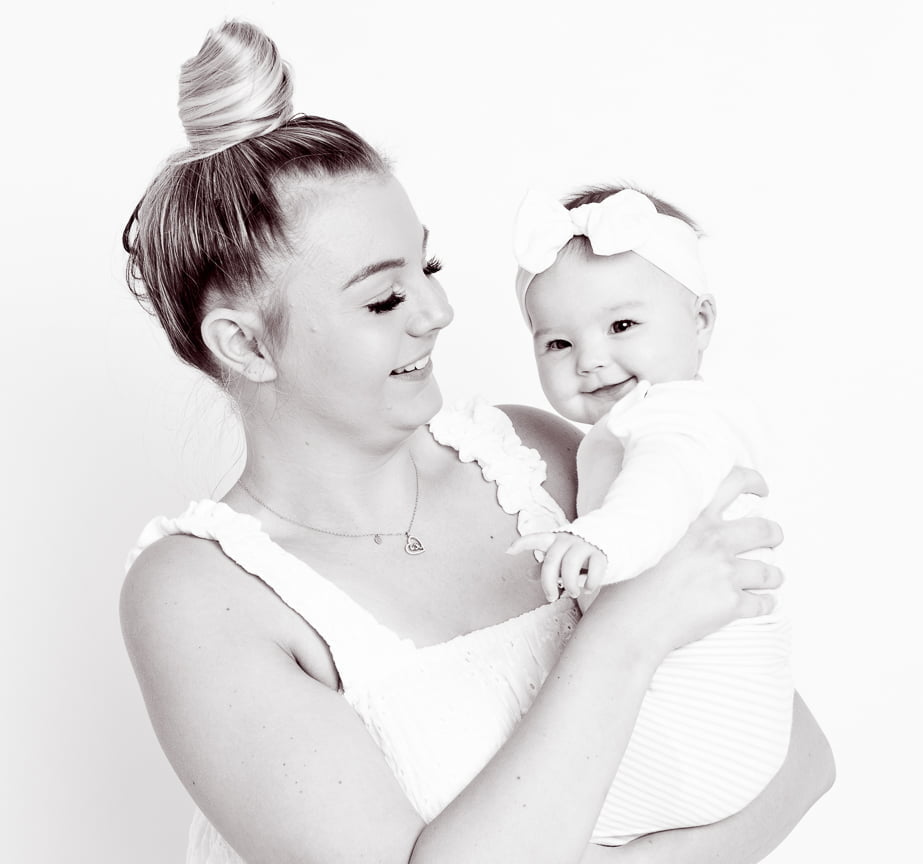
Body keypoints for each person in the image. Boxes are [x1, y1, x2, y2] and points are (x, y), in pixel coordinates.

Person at [119, 20, 834, 864]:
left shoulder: (530, 459)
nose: (437, 313)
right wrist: (622, 637)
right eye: (384, 300)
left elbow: (800, 760)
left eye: (430, 269)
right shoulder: (201, 597)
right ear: (247, 345)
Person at [510, 186, 794, 845]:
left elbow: (660, 490)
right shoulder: (631, 423)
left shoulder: (679, 419)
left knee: (508, 813)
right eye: (556, 343)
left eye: (621, 326)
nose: (590, 358)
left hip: (703, 734)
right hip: (721, 732)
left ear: (700, 321)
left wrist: (600, 539)